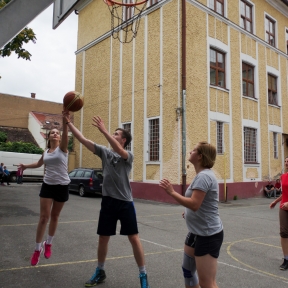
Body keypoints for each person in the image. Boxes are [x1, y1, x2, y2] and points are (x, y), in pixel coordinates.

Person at [63, 112, 150, 288]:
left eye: (116, 134)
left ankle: (143, 274)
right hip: (108, 201)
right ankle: (100, 271)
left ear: (123, 139)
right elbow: (83, 139)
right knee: (103, 238)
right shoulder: (104, 152)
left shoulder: (128, 156)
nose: (113, 135)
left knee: (134, 238)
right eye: (113, 133)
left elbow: (118, 150)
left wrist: (103, 131)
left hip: (125, 202)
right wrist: (68, 124)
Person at [159, 142, 223, 288]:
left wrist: (171, 192)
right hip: (196, 232)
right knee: (188, 271)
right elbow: (197, 204)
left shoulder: (204, 177)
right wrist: (187, 212)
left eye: (193, 150)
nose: (190, 152)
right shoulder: (200, 175)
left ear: (200, 156)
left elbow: (194, 204)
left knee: (207, 283)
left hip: (208, 235)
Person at [18, 112, 70, 266]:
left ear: (59, 137)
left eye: (57, 133)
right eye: (52, 132)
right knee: (43, 218)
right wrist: (25, 166)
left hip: (62, 186)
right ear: (48, 137)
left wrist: (65, 122)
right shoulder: (46, 152)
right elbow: (40, 164)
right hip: (47, 185)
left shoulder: (63, 149)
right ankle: (37, 249)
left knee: (54, 217)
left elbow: (66, 134)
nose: (54, 133)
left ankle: (49, 243)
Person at [270, 156, 288, 270]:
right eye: (285, 161)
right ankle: (286, 259)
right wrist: (275, 201)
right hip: (283, 207)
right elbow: (284, 193)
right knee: (284, 232)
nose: (286, 163)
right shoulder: (283, 177)